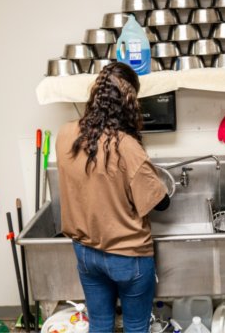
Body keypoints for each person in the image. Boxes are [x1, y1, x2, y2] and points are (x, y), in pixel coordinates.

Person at [56, 62, 170, 333]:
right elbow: (160, 203)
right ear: (129, 103)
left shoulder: (66, 134)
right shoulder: (128, 148)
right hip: (128, 257)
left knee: (100, 324)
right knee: (135, 326)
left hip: (86, 253)